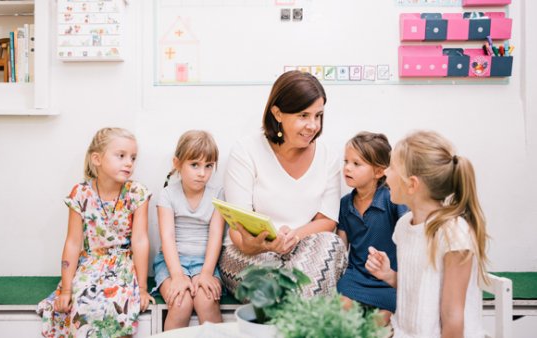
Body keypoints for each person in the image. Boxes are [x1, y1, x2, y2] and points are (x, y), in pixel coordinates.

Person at [219, 70, 347, 297]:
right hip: (250, 252)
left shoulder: (328, 156)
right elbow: (238, 233)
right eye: (303, 115)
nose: (313, 125)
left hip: (304, 245)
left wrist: (292, 237)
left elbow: (326, 221)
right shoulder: (246, 151)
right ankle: (297, 316)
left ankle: (294, 312)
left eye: (318, 116)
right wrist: (267, 245)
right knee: (274, 286)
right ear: (277, 113)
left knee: (332, 244)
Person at [366, 130, 489, 338]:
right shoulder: (404, 225)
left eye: (392, 167)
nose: (385, 172)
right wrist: (390, 275)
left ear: (412, 184)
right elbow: (422, 287)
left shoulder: (454, 233)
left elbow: (453, 315)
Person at [37, 127, 154, 338]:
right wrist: (65, 290)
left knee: (117, 303)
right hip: (91, 264)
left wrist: (143, 288)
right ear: (97, 159)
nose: (129, 162)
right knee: (80, 302)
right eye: (121, 156)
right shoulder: (81, 193)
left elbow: (140, 240)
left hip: (123, 265)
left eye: (133, 157)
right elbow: (73, 243)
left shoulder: (137, 193)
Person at [153, 130, 225, 330]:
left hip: (206, 262)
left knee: (207, 300)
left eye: (208, 166)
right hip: (172, 263)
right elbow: (167, 237)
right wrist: (177, 275)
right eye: (195, 165)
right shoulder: (168, 195)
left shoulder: (217, 194)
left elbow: (216, 235)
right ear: (177, 163)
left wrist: (207, 273)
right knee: (180, 303)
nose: (202, 173)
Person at [336, 132, 408, 324]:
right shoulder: (345, 204)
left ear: (378, 172)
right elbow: (341, 245)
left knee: (379, 321)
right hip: (355, 277)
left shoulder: (392, 199)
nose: (347, 168)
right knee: (341, 309)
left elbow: (410, 234)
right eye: (346, 161)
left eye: (356, 164)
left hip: (387, 280)